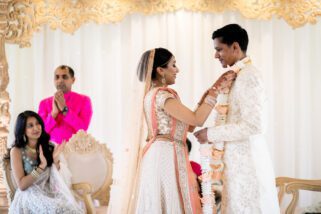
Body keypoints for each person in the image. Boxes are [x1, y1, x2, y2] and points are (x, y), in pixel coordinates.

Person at [133, 48, 236, 214]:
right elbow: (197, 120)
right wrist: (215, 90)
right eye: (173, 65)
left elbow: (190, 125)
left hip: (161, 153)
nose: (177, 70)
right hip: (166, 155)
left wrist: (206, 97)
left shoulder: (153, 94)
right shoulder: (162, 95)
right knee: (172, 202)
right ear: (160, 70)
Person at [194, 24, 280, 213]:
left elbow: (255, 125)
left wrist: (211, 133)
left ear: (235, 46)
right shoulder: (236, 76)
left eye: (219, 49)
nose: (216, 55)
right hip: (235, 165)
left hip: (248, 165)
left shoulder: (249, 76)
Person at [9, 110, 83, 213]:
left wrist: (55, 161)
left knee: (71, 208)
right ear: (23, 130)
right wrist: (41, 166)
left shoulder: (49, 146)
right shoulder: (16, 151)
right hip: (29, 195)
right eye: (30, 126)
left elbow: (54, 179)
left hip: (48, 192)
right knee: (55, 210)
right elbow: (22, 185)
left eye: (37, 123)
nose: (36, 128)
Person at [38, 65, 93, 144]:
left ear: (73, 80)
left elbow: (82, 129)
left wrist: (65, 109)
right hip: (51, 150)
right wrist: (53, 113)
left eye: (64, 77)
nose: (60, 80)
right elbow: (40, 132)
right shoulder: (44, 103)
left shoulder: (84, 100)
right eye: (57, 77)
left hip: (75, 150)